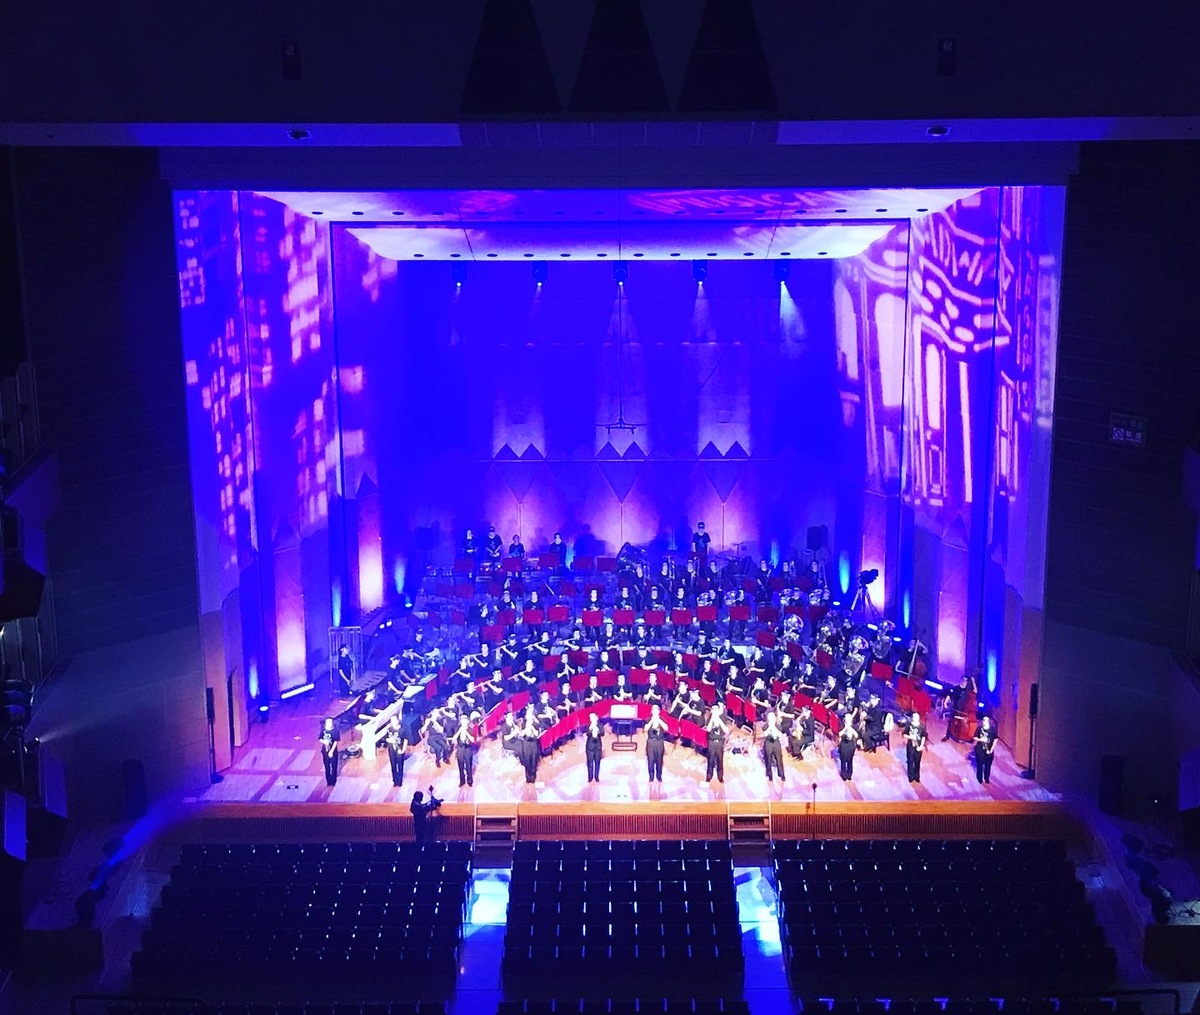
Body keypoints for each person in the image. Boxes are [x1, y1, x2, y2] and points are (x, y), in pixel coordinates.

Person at [705, 702, 729, 783]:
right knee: (710, 760)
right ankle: (709, 776)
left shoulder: (722, 718)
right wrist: (712, 719)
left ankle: (720, 777)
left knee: (720, 760)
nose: (715, 711)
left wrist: (719, 721)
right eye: (713, 709)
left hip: (719, 742)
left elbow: (726, 731)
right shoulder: (709, 719)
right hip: (712, 742)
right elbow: (708, 729)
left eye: (716, 709)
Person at [453, 713, 479, 787]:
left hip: (468, 748)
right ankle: (462, 781)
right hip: (460, 748)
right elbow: (454, 738)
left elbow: (473, 740)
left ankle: (469, 780)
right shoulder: (457, 728)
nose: (463, 721)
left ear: (467, 721)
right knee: (460, 765)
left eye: (464, 720)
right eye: (462, 720)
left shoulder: (470, 729)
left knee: (468, 765)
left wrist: (466, 732)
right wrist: (460, 731)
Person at [384, 714, 409, 788]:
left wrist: (403, 750)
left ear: (398, 720)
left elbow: (406, 740)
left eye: (395, 720)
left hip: (399, 749)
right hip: (391, 750)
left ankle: (400, 781)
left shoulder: (402, 730)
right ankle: (395, 781)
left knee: (400, 766)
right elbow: (386, 738)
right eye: (392, 720)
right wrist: (389, 740)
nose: (393, 722)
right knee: (393, 765)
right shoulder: (389, 729)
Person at [645, 704, 668, 783]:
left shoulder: (662, 719)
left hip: (659, 742)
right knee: (650, 760)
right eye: (653, 710)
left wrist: (659, 721)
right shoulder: (648, 719)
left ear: (658, 711)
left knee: (659, 760)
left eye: (656, 710)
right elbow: (645, 729)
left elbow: (666, 728)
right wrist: (652, 720)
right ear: (652, 711)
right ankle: (651, 777)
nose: (655, 712)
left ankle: (659, 776)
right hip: (651, 742)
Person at [973, 714, 998, 784]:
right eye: (984, 720)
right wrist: (981, 740)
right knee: (979, 764)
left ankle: (987, 778)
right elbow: (974, 737)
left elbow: (995, 739)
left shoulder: (993, 730)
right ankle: (979, 778)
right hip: (980, 749)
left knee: (988, 765)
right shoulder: (979, 729)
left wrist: (992, 749)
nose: (985, 721)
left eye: (986, 720)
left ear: (989, 721)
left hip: (989, 749)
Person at [762, 711, 786, 783]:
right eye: (770, 717)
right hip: (768, 743)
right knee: (768, 759)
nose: (771, 719)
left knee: (779, 759)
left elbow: (780, 735)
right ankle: (769, 775)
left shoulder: (778, 725)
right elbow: (765, 734)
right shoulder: (766, 725)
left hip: (776, 743)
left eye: (772, 717)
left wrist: (774, 728)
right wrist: (769, 727)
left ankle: (781, 774)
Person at [904, 711, 927, 783]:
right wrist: (910, 737)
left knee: (917, 762)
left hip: (918, 746)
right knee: (910, 761)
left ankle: (916, 776)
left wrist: (921, 746)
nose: (916, 718)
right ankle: (910, 777)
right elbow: (904, 735)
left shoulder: (922, 726)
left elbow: (924, 736)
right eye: (914, 717)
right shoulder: (908, 725)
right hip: (910, 746)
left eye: (917, 717)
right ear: (912, 718)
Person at [318, 717, 340, 786]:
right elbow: (320, 738)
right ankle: (328, 781)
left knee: (334, 766)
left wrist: (331, 751)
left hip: (333, 751)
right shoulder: (323, 730)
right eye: (328, 722)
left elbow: (336, 741)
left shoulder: (335, 730)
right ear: (326, 723)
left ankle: (333, 781)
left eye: (331, 722)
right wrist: (324, 742)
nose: (330, 723)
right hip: (325, 751)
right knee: (327, 766)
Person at [584, 712, 605, 783]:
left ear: (596, 718)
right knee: (590, 763)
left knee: (597, 762)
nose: (591, 719)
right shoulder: (588, 725)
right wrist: (591, 729)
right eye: (590, 718)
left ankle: (596, 777)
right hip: (590, 747)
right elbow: (587, 733)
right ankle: (590, 777)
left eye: (593, 717)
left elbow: (602, 733)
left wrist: (597, 730)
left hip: (597, 747)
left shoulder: (600, 725)